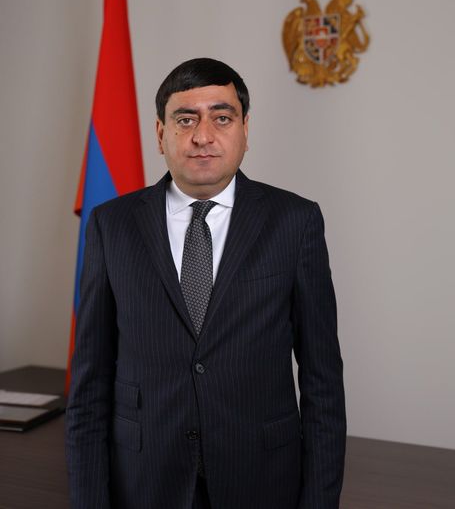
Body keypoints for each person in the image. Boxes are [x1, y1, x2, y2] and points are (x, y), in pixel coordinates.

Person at [65, 58, 346, 509]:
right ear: (160, 133)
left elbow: (323, 383)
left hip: (262, 480)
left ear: (244, 130)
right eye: (185, 120)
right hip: (143, 481)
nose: (202, 136)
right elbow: (89, 387)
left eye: (221, 118)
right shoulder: (110, 226)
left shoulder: (295, 222)